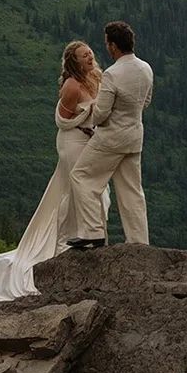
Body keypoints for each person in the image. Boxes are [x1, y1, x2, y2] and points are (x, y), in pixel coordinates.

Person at [0, 40, 110, 301]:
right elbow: (65, 120)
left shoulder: (95, 76)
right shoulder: (71, 86)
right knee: (78, 189)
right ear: (74, 62)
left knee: (91, 189)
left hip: (89, 142)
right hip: (73, 143)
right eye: (84, 55)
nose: (90, 56)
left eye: (90, 52)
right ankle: (70, 240)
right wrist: (90, 123)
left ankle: (88, 235)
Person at [67, 20, 153, 249]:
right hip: (135, 137)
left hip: (110, 138)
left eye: (107, 43)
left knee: (82, 176)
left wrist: (93, 111)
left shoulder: (112, 74)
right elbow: (146, 101)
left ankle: (93, 232)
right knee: (132, 191)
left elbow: (100, 115)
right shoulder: (146, 68)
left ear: (113, 46)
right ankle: (139, 242)